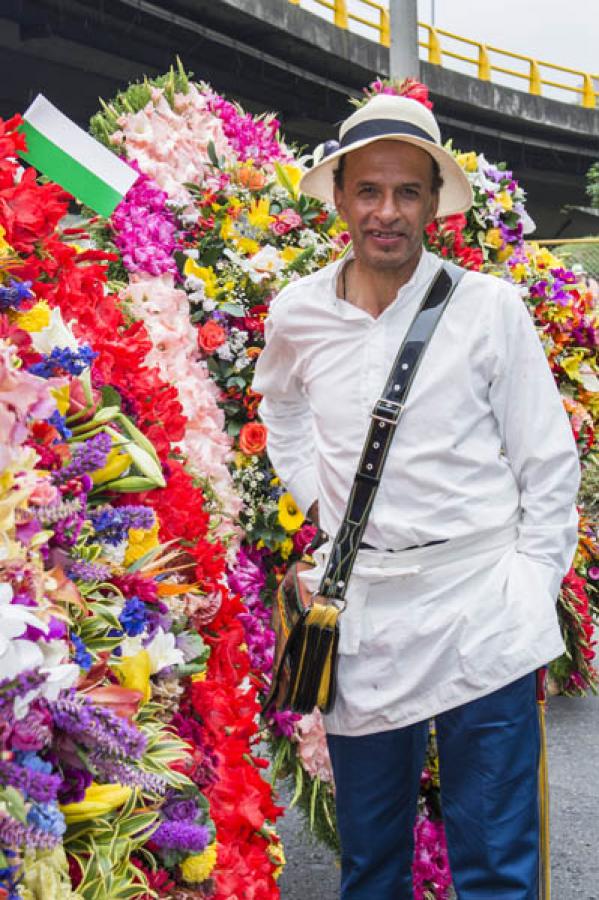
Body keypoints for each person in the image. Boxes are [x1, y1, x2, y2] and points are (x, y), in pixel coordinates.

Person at [253, 93, 580, 899]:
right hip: (362, 618)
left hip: (481, 612)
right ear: (339, 198)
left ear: (435, 202)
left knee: (497, 867)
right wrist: (321, 497)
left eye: (407, 192)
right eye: (368, 190)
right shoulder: (297, 311)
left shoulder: (489, 309)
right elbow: (280, 405)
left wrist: (527, 591)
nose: (386, 212)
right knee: (369, 865)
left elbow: (547, 462)